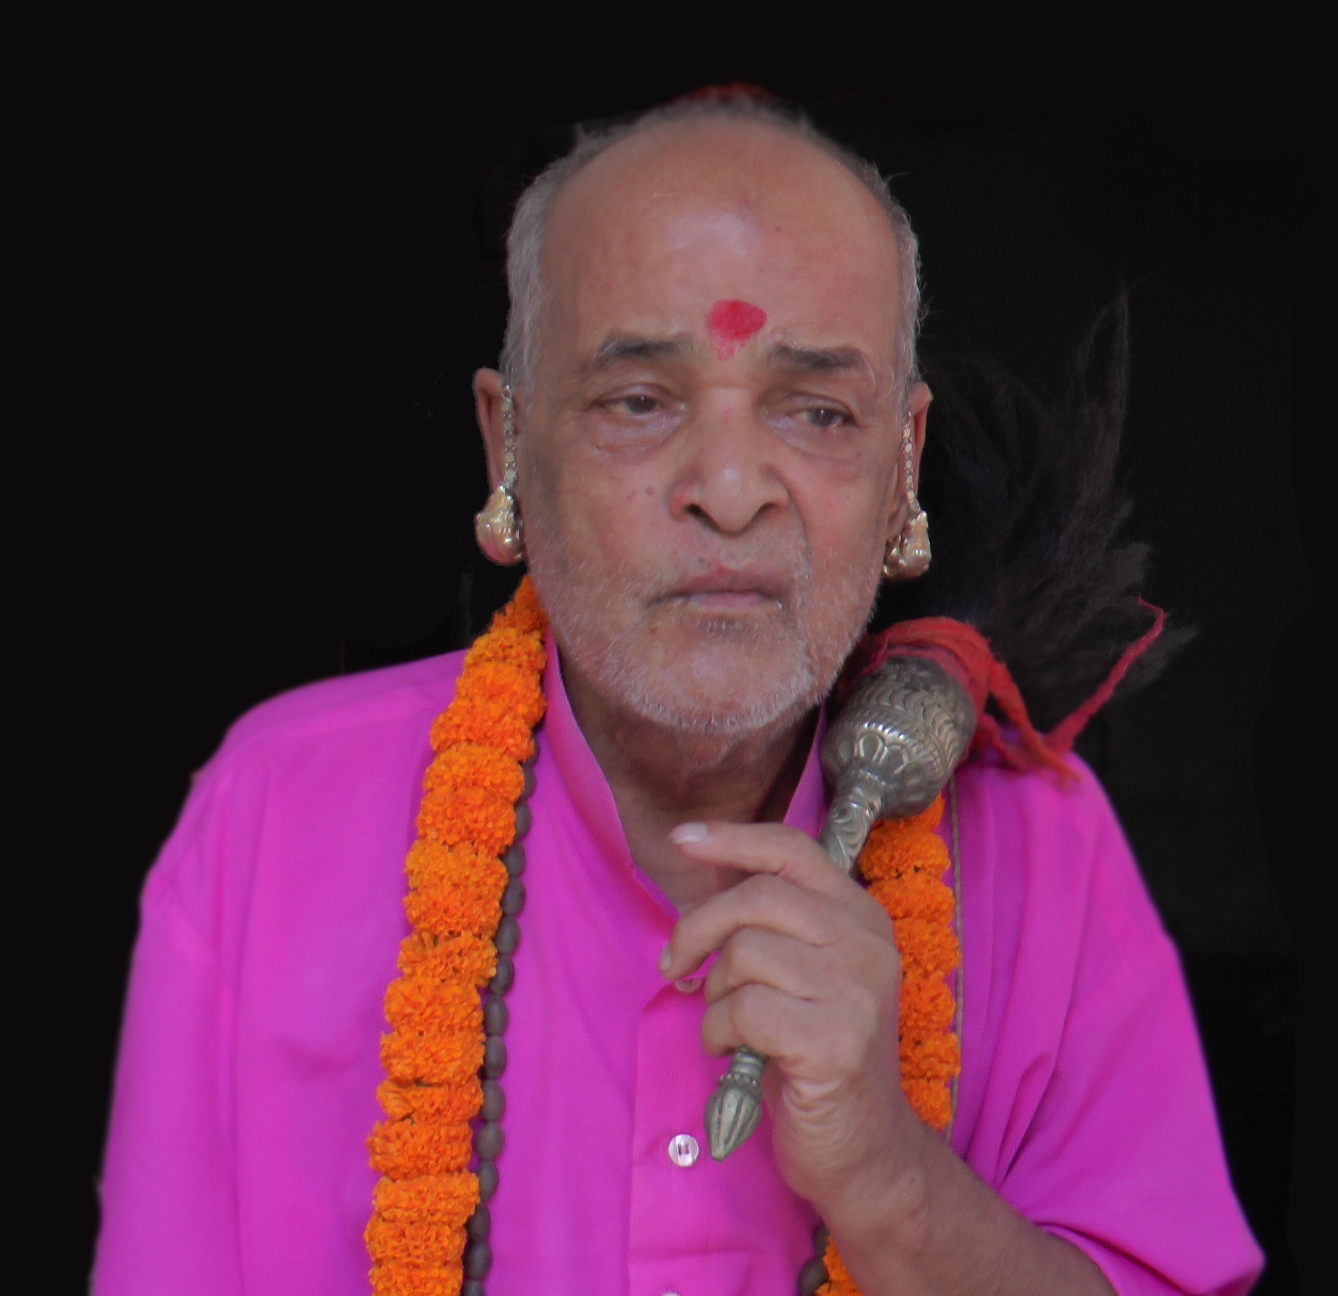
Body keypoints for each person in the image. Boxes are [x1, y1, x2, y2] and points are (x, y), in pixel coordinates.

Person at [93, 91, 1263, 1295]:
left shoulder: (1043, 850)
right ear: (507, 447)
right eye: (640, 402)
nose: (731, 490)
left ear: (902, 469)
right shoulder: (276, 820)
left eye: (817, 411)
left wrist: (888, 1179)